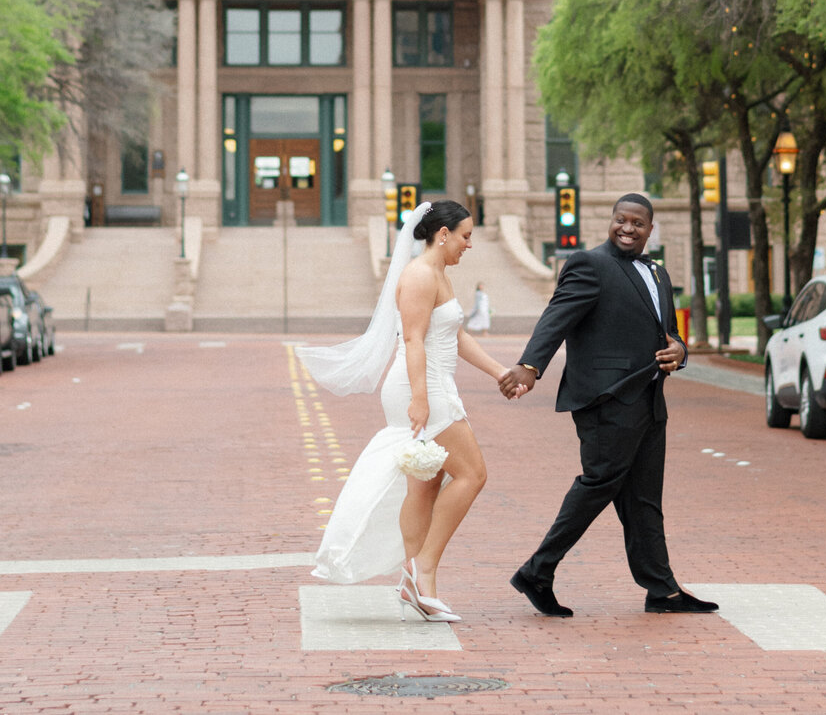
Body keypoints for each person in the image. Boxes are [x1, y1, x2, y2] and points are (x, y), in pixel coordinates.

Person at [297, 200, 520, 622]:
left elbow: (453, 335)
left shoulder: (440, 275)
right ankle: (422, 569)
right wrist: (420, 398)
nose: (468, 245)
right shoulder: (419, 275)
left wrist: (498, 372)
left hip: (432, 383)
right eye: (465, 236)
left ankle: (418, 584)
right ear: (443, 234)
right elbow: (414, 341)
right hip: (423, 386)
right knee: (472, 473)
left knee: (426, 483)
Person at [498, 193, 719, 618]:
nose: (628, 228)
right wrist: (530, 365)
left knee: (644, 499)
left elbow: (669, 334)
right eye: (621, 220)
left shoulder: (658, 272)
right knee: (599, 483)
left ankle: (662, 590)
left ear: (650, 230)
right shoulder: (589, 263)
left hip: (650, 400)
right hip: (606, 399)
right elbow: (556, 317)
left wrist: (680, 352)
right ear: (611, 221)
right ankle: (537, 572)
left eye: (638, 223)